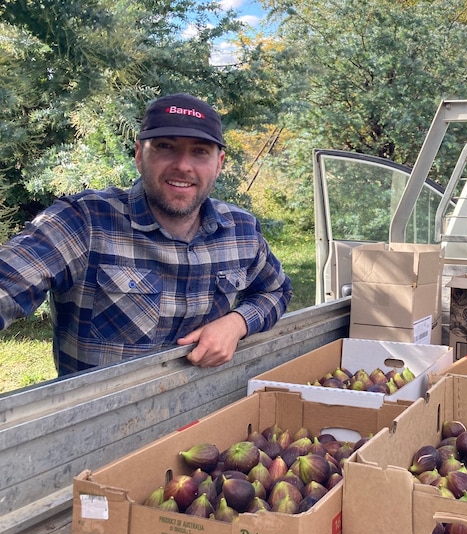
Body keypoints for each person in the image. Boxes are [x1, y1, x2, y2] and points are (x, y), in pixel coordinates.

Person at [0, 93, 293, 376]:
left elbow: (276, 290)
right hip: (101, 421)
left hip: (206, 414)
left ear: (219, 163)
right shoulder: (83, 222)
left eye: (200, 151)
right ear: (140, 155)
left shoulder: (241, 231)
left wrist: (237, 322)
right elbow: (9, 281)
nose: (182, 165)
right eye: (166, 146)